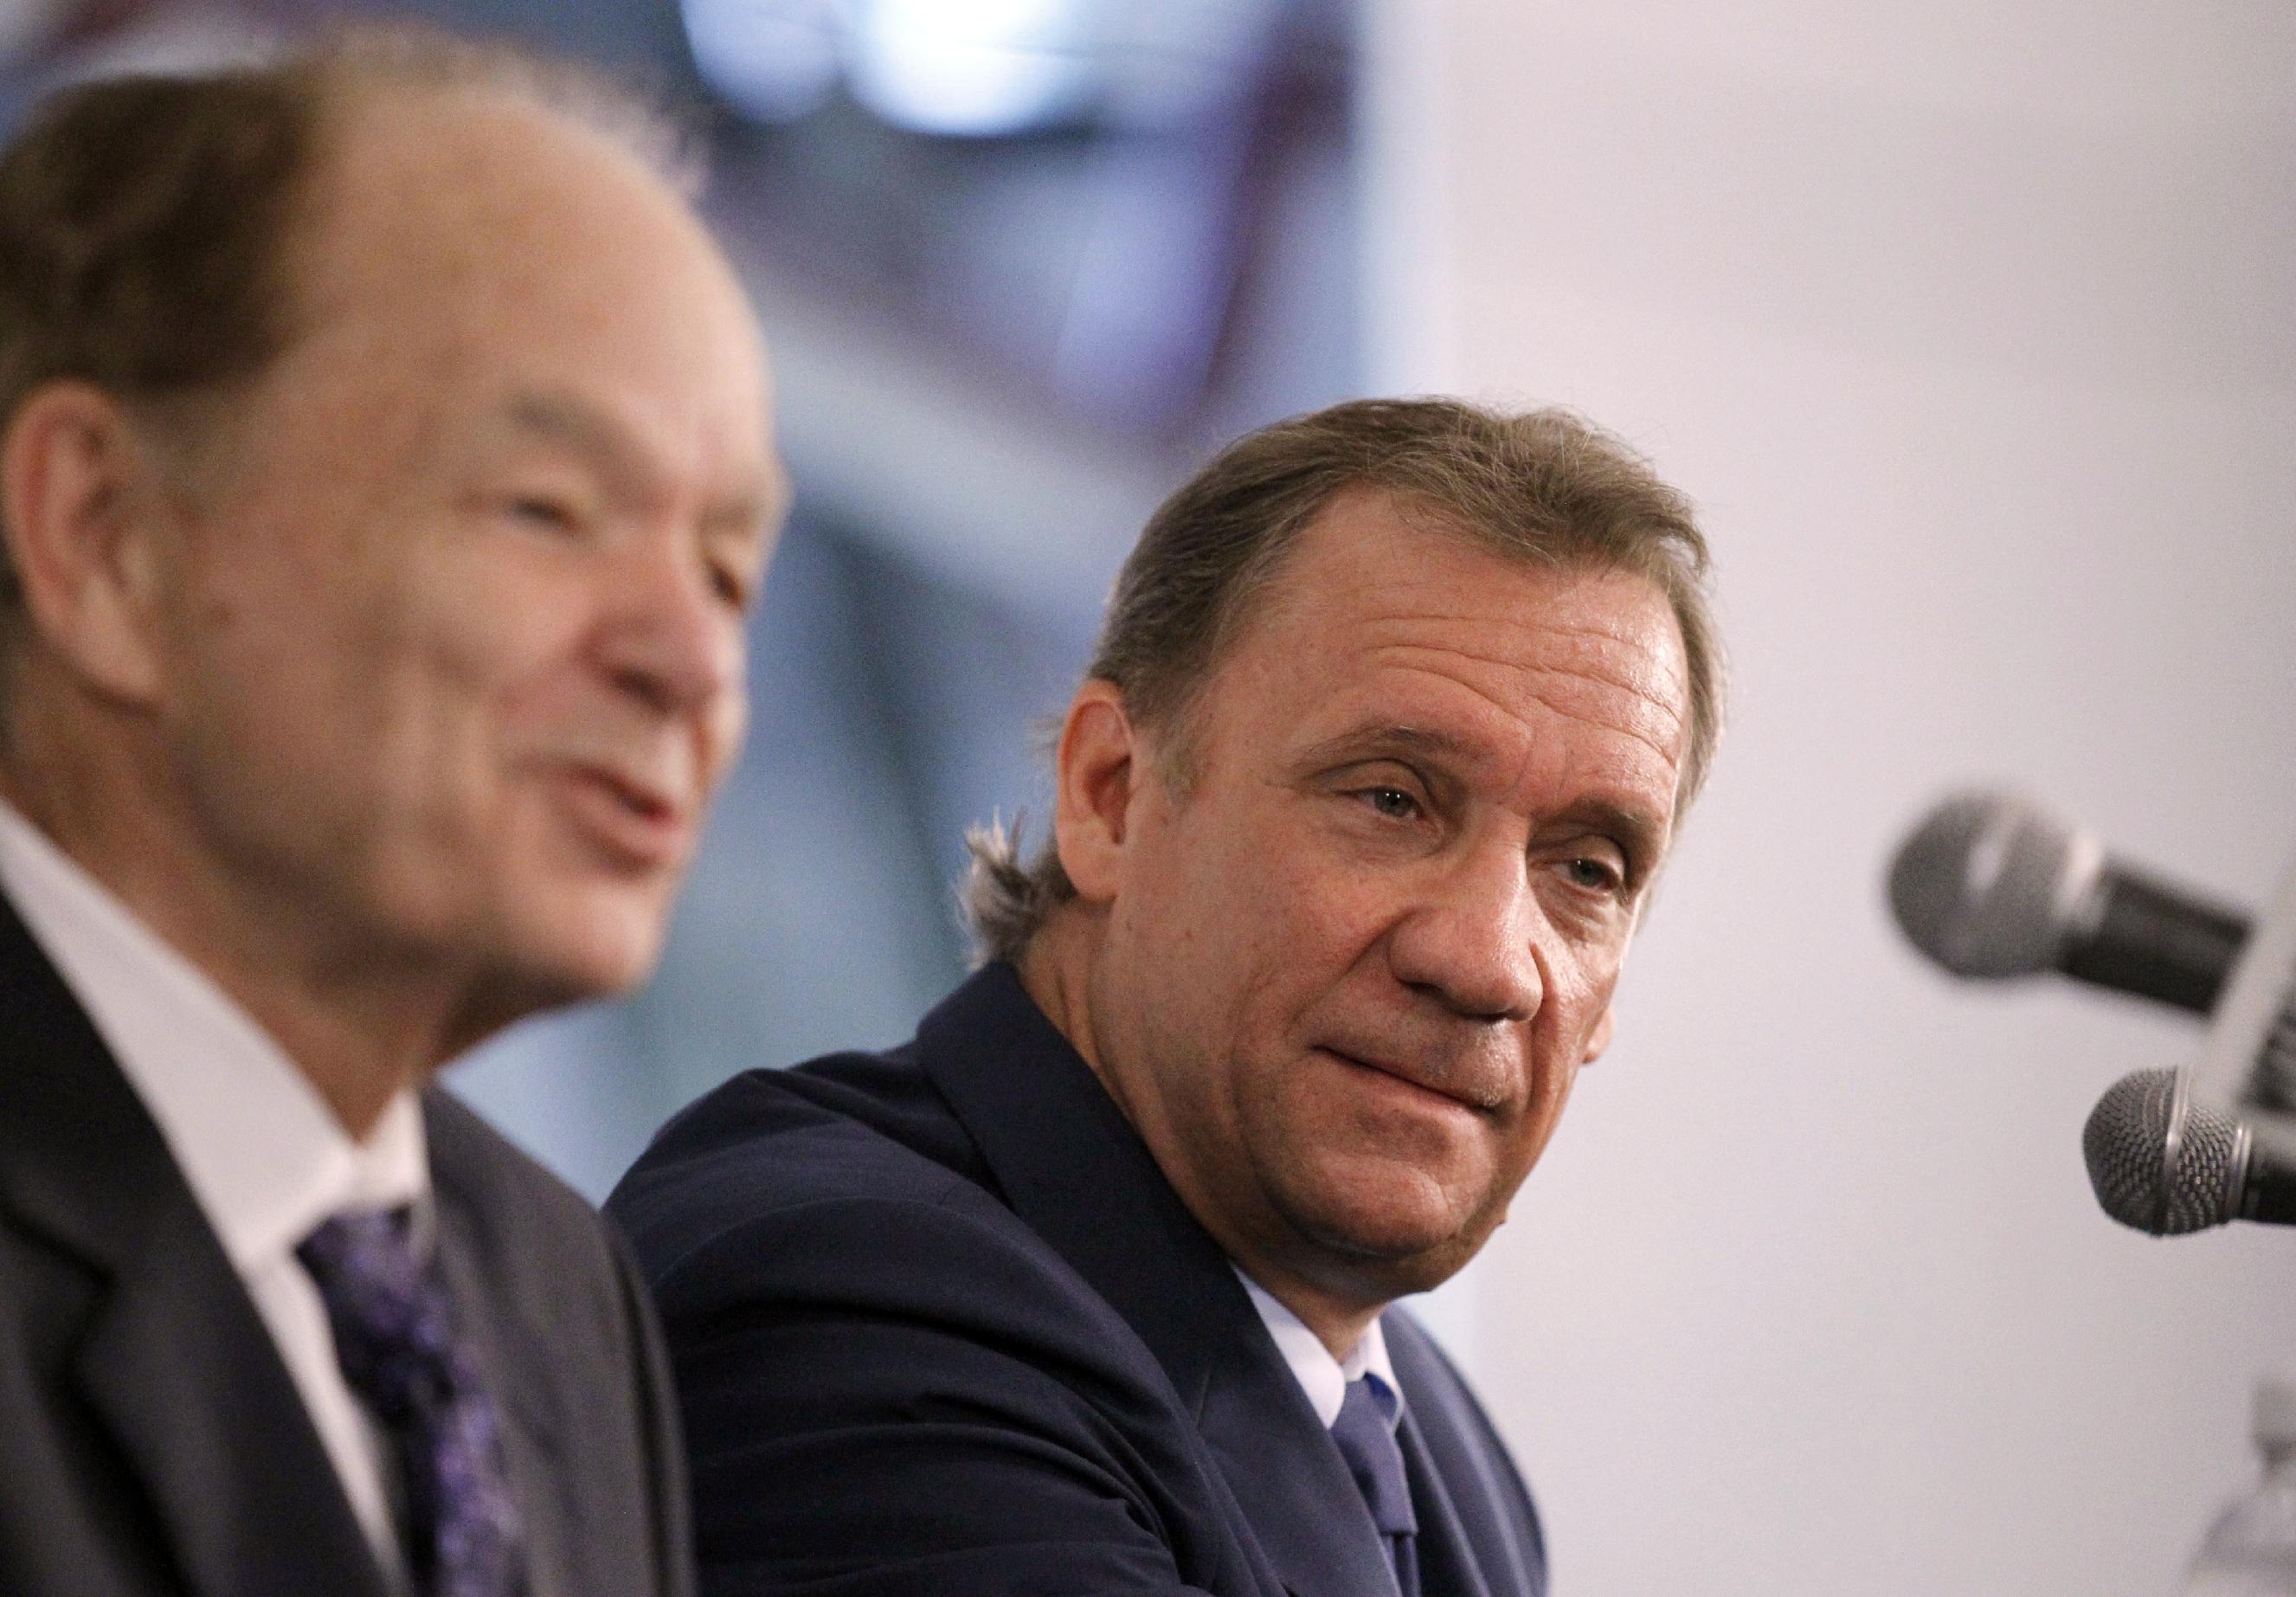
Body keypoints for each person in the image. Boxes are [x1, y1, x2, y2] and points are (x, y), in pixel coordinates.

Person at [611, 398, 1722, 1597]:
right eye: (1392, 799)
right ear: (1113, 795)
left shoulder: (1436, 1447)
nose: (1490, 963)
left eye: (1586, 870)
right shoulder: (845, 1302)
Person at [0, 29, 783, 1597]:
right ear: (107, 538)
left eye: (726, 565)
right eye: (548, 509)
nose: (691, 659)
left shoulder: (562, 1291)